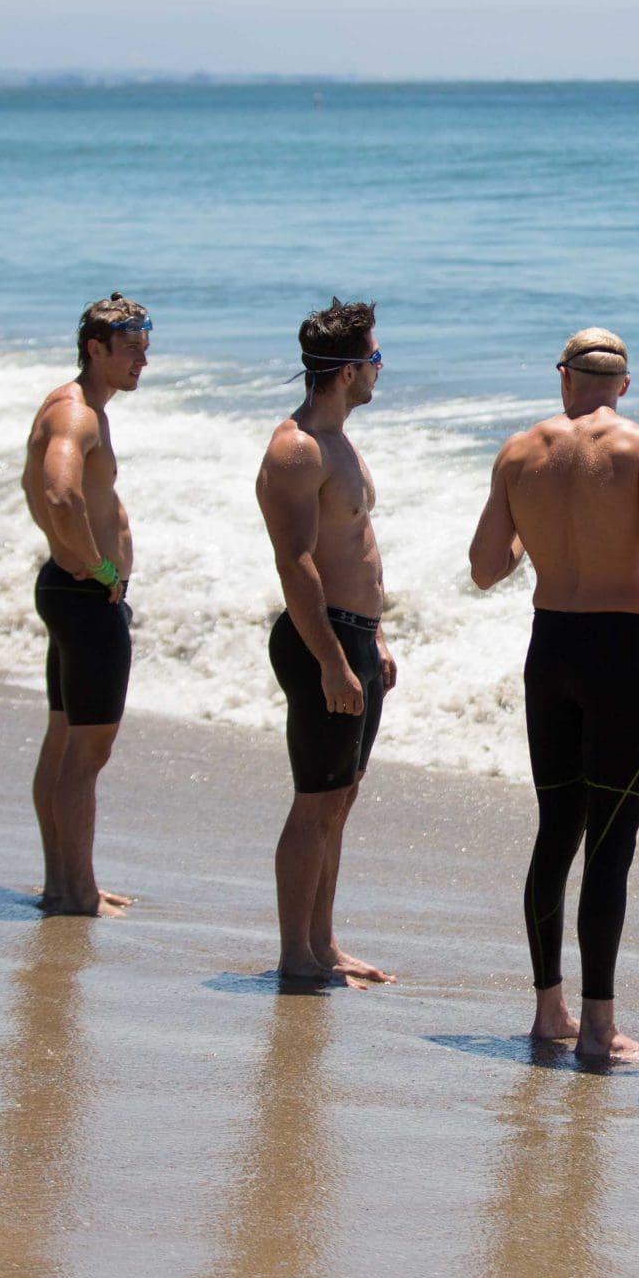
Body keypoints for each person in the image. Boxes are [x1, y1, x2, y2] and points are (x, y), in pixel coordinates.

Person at [469, 327, 639, 1062]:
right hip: (619, 656)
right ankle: (599, 1029)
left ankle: (548, 1013)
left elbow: (483, 566)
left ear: (561, 377)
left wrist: (546, 529)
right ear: (623, 385)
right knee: (612, 841)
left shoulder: (519, 453)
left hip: (550, 653)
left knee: (556, 828)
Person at [254, 298, 398, 986]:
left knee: (340, 799)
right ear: (346, 370)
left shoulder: (340, 439)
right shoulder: (297, 449)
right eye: (373, 357)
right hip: (322, 642)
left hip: (356, 639)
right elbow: (297, 563)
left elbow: (356, 548)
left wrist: (377, 641)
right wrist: (333, 661)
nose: (379, 368)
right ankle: (295, 956)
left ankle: (324, 943)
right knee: (315, 801)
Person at [20, 292, 151, 917]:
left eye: (145, 350)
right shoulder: (77, 416)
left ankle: (66, 882)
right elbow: (59, 493)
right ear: (95, 349)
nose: (141, 362)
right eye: (130, 350)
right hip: (85, 597)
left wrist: (67, 554)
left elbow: (36, 491)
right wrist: (98, 566)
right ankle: (74, 892)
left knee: (64, 743)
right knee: (87, 754)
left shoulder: (72, 406)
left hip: (67, 589)